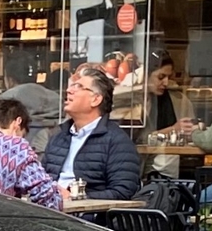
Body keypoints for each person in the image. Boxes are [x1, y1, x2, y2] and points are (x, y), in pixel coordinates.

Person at [39, 63, 145, 200]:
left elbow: (123, 192)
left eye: (79, 87)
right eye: (72, 86)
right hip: (48, 212)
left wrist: (75, 197)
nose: (69, 91)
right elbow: (40, 180)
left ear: (96, 99)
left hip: (86, 217)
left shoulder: (117, 141)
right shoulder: (58, 137)